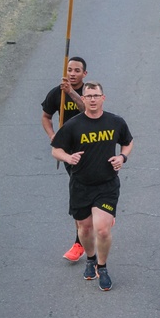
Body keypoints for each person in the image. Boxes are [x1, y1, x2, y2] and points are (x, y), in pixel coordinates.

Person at [50, 82, 134, 292]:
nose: (93, 99)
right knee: (85, 228)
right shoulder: (73, 125)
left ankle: (102, 267)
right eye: (89, 96)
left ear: (103, 98)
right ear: (83, 99)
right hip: (81, 185)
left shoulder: (115, 122)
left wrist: (122, 157)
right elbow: (55, 150)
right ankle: (90, 258)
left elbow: (128, 142)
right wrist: (69, 157)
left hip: (107, 184)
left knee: (103, 230)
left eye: (97, 95)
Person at [42, 57, 88, 262]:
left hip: (92, 149)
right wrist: (53, 136)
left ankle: (99, 218)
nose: (72, 73)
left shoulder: (89, 92)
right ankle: (79, 241)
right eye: (69, 69)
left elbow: (86, 110)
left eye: (77, 70)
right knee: (80, 192)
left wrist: (71, 92)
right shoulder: (56, 93)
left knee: (94, 192)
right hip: (70, 153)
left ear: (84, 74)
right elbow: (46, 116)